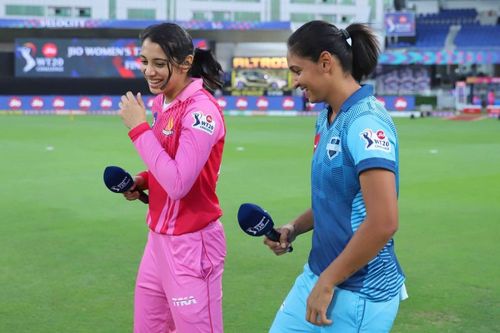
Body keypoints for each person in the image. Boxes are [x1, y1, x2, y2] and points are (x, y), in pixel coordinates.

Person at [264, 20, 407, 332]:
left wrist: (328, 282)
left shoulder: (367, 123)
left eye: (297, 70)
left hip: (361, 291)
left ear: (325, 62)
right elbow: (336, 200)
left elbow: (383, 221)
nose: (294, 81)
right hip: (318, 274)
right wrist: (293, 228)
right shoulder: (326, 117)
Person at [118, 22, 226, 333]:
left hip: (192, 245)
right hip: (158, 243)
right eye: (144, 61)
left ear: (185, 63)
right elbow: (166, 164)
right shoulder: (162, 102)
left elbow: (179, 183)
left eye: (158, 63)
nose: (149, 71)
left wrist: (138, 129)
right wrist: (143, 180)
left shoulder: (201, 112)